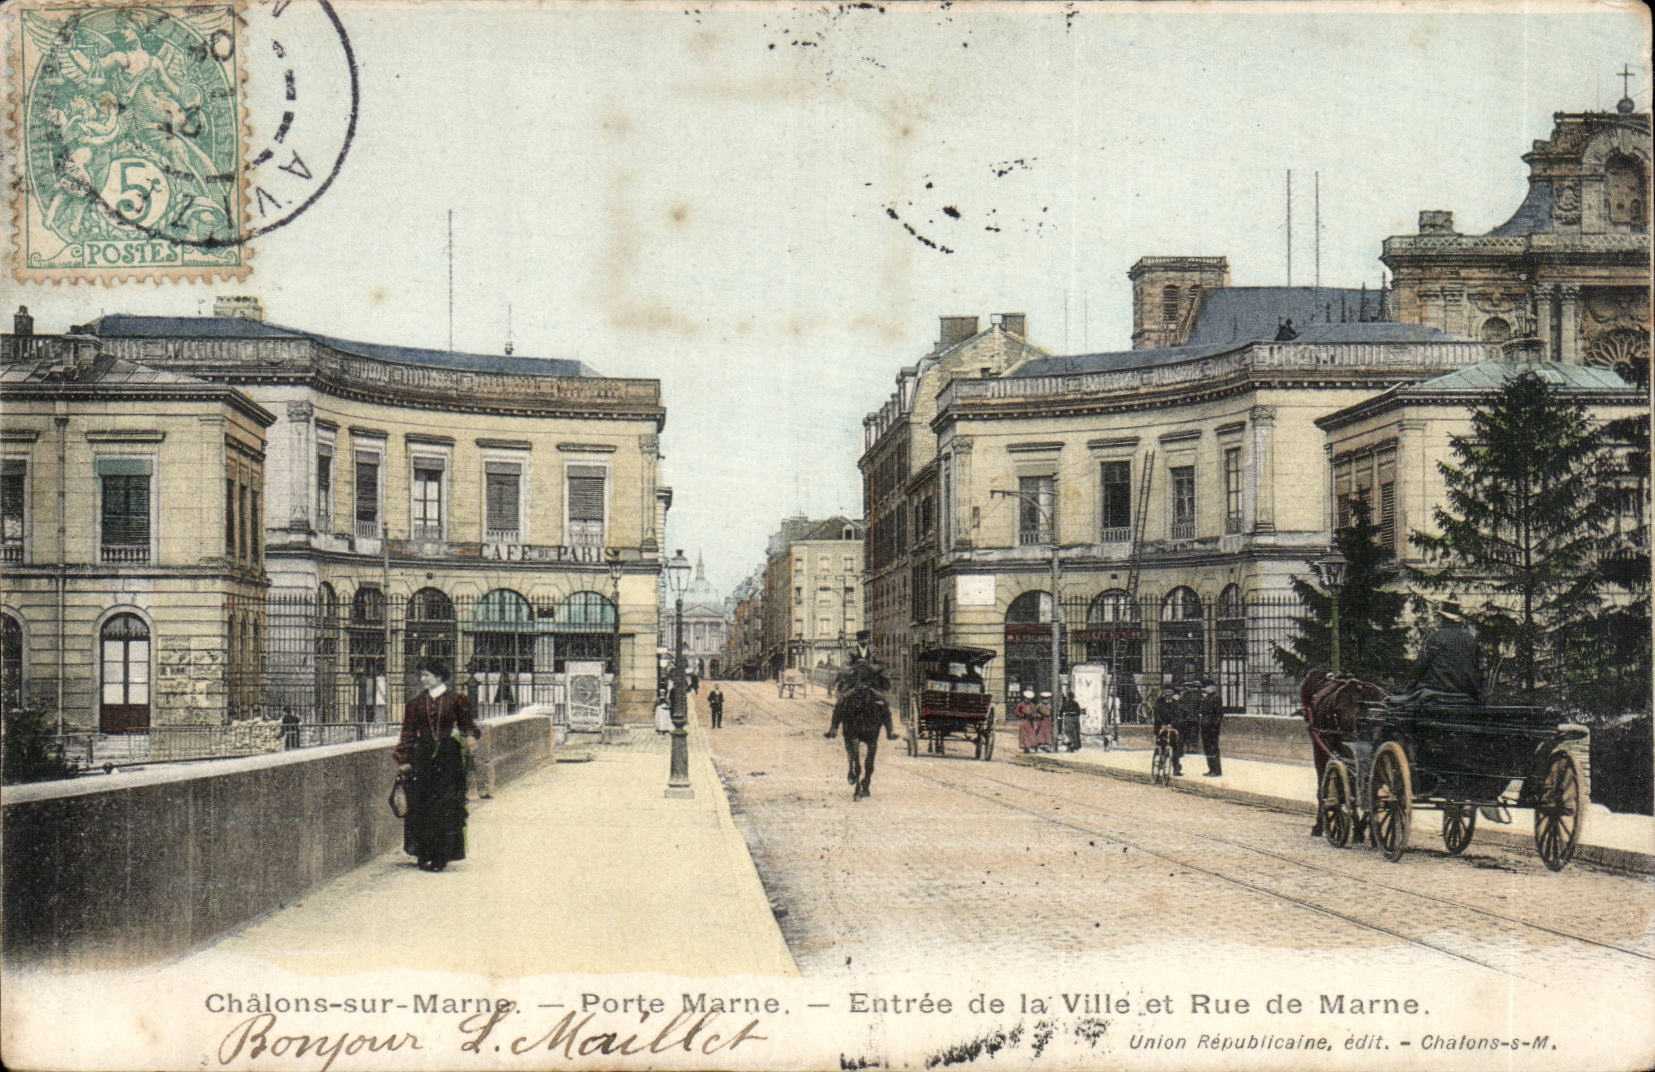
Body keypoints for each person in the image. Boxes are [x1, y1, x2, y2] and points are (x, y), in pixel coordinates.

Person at [393, 659, 482, 872]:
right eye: (421, 675)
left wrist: (470, 737)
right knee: (421, 804)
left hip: (448, 757)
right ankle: (423, 852)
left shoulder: (457, 700)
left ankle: (440, 856)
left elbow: (468, 725)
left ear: (439, 677)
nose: (423, 679)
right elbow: (407, 732)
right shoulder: (415, 704)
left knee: (444, 806)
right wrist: (404, 759)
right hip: (422, 757)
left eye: (427, 675)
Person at [1395, 602, 1484, 706]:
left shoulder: (1435, 638)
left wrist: (1408, 687)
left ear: (1443, 618)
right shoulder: (1470, 639)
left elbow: (1421, 666)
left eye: (1439, 617)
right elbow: (1476, 669)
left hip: (1436, 690)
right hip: (1465, 692)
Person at [1150, 684, 1182, 776]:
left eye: (1170, 692)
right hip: (1161, 727)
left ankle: (1176, 768)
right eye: (1166, 692)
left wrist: (1172, 724)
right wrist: (1162, 724)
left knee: (1175, 747)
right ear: (1164, 692)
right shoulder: (1159, 702)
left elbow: (1178, 715)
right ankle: (1161, 761)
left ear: (1172, 693)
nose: (1168, 694)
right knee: (1162, 745)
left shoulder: (1176, 704)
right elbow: (1156, 715)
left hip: (1172, 728)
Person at [1197, 678, 1224, 777]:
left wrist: (1214, 726)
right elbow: (1201, 711)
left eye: (1206, 687)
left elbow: (1218, 714)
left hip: (1212, 728)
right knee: (1207, 748)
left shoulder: (1216, 698)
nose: (1205, 689)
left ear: (1212, 687)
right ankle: (1211, 769)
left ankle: (1216, 770)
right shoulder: (1207, 698)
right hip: (1205, 727)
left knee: (1213, 748)